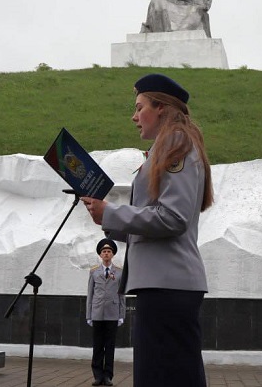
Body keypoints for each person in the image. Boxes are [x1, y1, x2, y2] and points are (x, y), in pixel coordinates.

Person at [80, 73, 213, 387]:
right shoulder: (167, 146)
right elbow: (161, 222)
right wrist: (108, 220)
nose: (134, 116)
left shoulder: (176, 142)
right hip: (165, 285)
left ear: (161, 108)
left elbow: (173, 218)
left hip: (167, 286)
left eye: (140, 107)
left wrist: (111, 212)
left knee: (164, 377)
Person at [86, 238, 125, 386]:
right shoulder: (94, 272)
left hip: (112, 313)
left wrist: (121, 315)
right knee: (97, 346)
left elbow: (122, 295)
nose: (106, 253)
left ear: (113, 254)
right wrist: (89, 315)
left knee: (110, 346)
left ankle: (108, 376)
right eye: (104, 251)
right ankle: (97, 375)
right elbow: (90, 294)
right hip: (97, 313)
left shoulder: (119, 272)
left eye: (109, 251)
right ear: (100, 254)